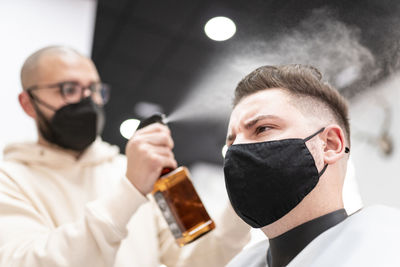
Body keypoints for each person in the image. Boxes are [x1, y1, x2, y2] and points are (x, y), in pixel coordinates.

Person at [0, 46, 250, 267]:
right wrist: (130, 190)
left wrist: (242, 201)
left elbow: (205, 258)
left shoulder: (142, 169)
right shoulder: (9, 179)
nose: (87, 100)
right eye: (69, 89)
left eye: (94, 89)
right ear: (28, 103)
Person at [223, 64, 400, 267]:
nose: (236, 149)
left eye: (262, 128)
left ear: (330, 144)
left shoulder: (387, 245)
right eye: (231, 142)